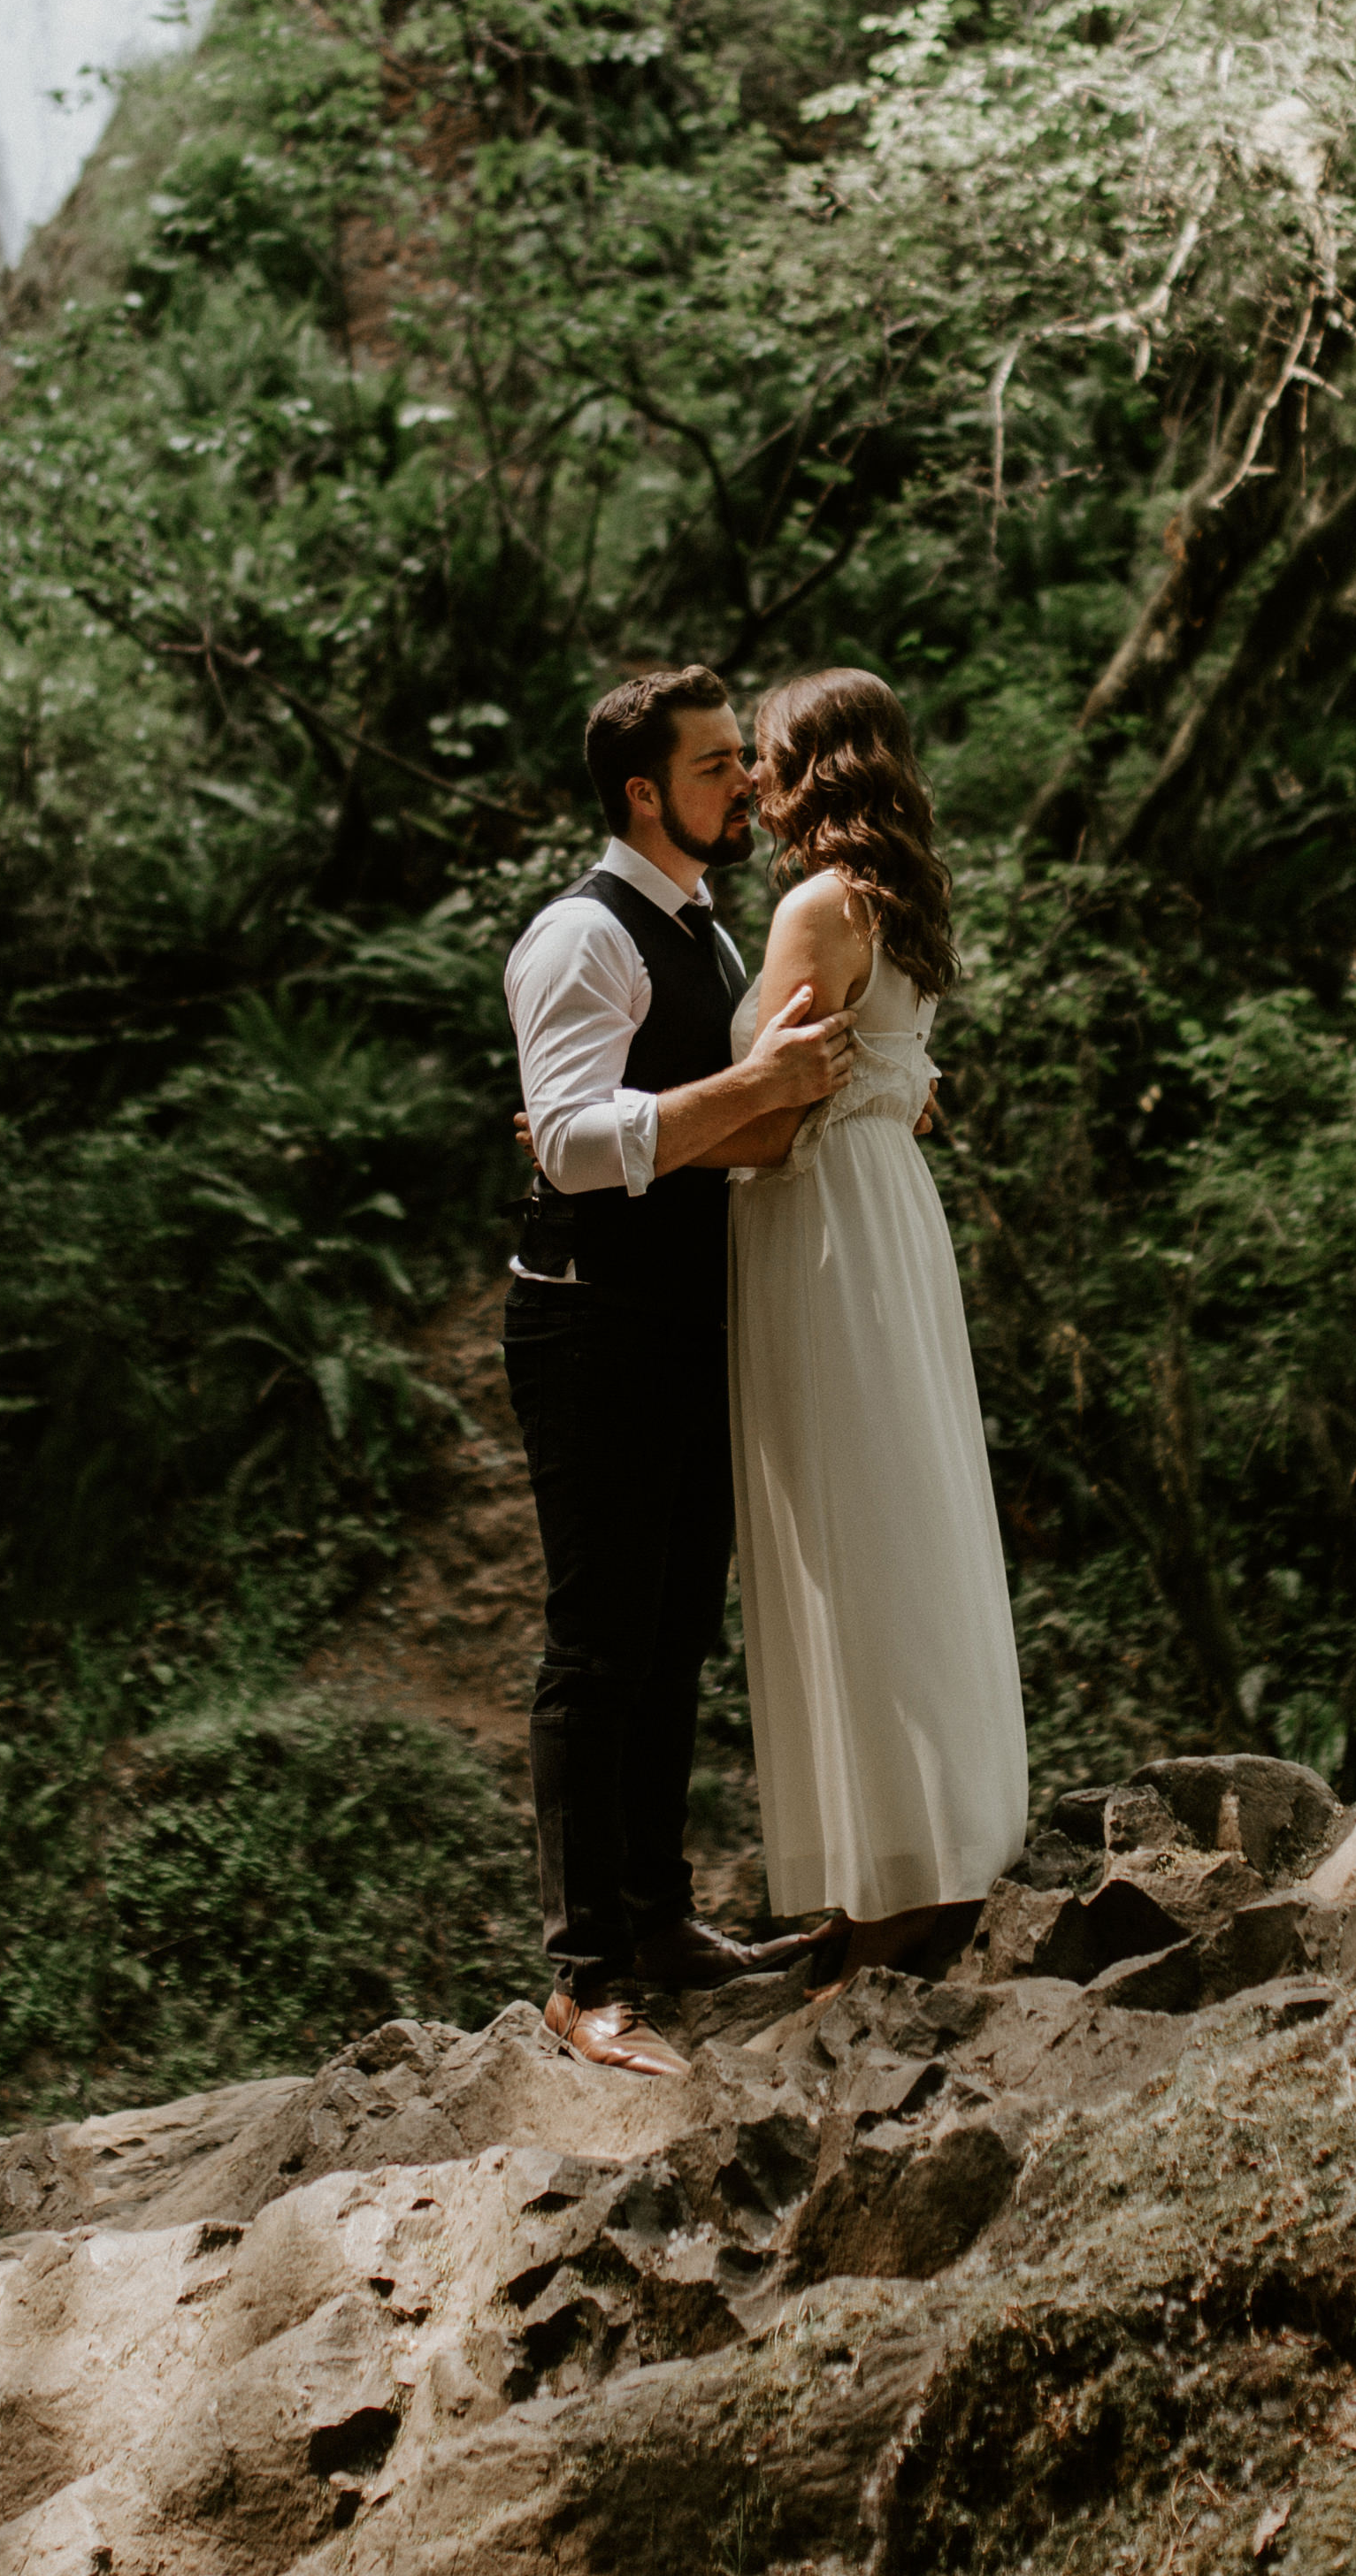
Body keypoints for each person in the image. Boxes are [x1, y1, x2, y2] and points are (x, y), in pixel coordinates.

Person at [500, 665, 854, 2077]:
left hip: (689, 1316)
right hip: (590, 1322)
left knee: (669, 1638)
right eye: (719, 767)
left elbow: (674, 1132)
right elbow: (575, 1142)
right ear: (643, 791)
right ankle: (582, 1979)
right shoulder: (580, 939)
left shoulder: (703, 931)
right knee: (597, 1650)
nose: (750, 788)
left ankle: (656, 1922)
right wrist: (756, 1090)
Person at [719, 668, 1029, 1984]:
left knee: (840, 1536)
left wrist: (610, 1135)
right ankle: (916, 1863)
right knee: (902, 1521)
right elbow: (900, 1088)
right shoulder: (907, 900)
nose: (750, 784)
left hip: (818, 1224)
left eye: (764, 761)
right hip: (888, 1213)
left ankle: (883, 1894)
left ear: (809, 768)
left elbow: (771, 1109)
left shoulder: (814, 906)